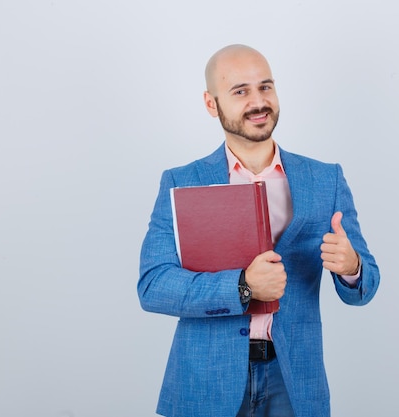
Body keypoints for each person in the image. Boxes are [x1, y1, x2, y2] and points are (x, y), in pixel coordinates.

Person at [138, 44, 380, 417]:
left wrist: (352, 268)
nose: (258, 101)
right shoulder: (183, 182)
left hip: (294, 382)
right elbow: (153, 286)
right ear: (211, 103)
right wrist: (243, 286)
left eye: (265, 87)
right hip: (205, 382)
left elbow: (365, 288)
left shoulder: (325, 180)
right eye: (240, 91)